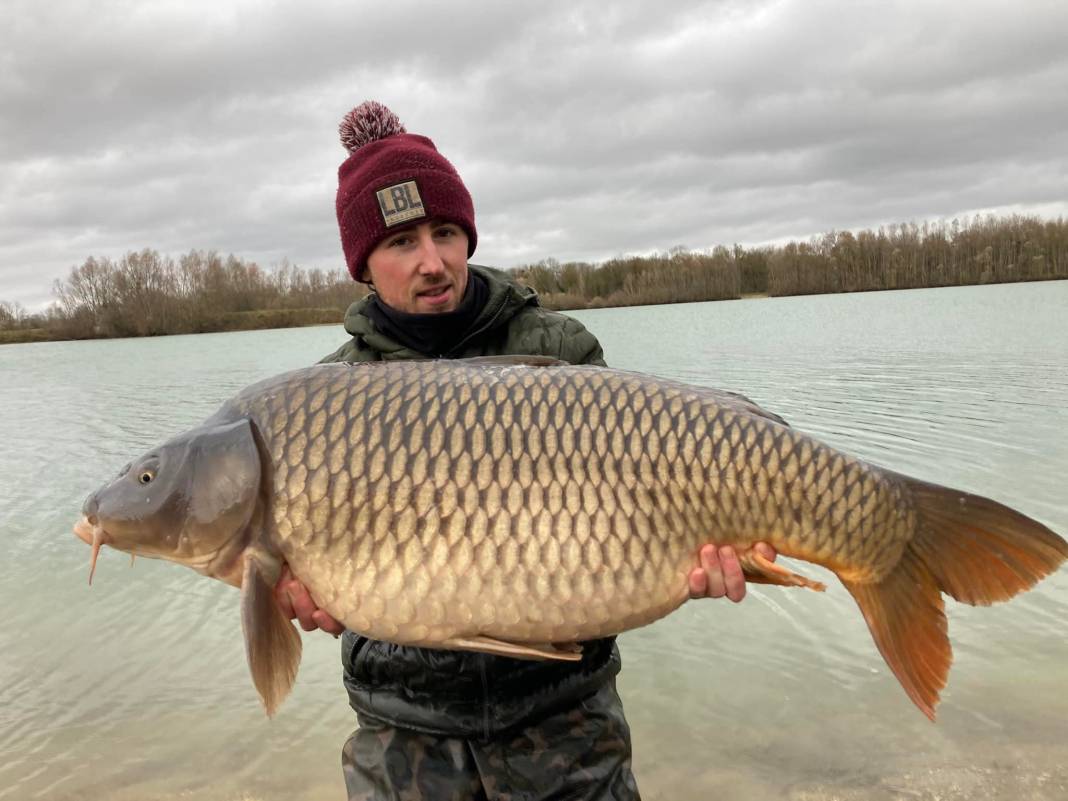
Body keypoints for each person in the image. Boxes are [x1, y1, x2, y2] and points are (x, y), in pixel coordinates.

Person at [273, 101, 778, 800]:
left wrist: (704, 553)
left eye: (445, 233)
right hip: (403, 733)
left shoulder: (560, 350)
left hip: (565, 722)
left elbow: (639, 507)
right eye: (401, 242)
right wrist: (307, 594)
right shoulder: (326, 402)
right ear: (364, 266)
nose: (432, 262)